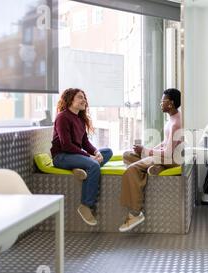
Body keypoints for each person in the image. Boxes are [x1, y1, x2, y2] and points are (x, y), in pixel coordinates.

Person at [119, 88, 182, 232]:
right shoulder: (172, 118)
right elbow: (165, 143)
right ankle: (155, 168)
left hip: (170, 158)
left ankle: (135, 213)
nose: (160, 103)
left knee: (132, 169)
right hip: (164, 156)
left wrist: (146, 152)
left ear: (170, 103)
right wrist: (147, 150)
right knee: (127, 155)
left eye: (162, 101)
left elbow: (168, 152)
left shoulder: (176, 123)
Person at [51, 88, 113, 226]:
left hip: (74, 155)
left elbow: (84, 142)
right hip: (62, 156)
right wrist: (89, 158)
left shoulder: (79, 119)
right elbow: (66, 145)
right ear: (70, 100)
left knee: (107, 152)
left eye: (84, 97)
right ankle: (85, 205)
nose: (84, 100)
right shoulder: (62, 117)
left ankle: (79, 166)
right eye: (80, 97)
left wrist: (96, 152)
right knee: (93, 165)